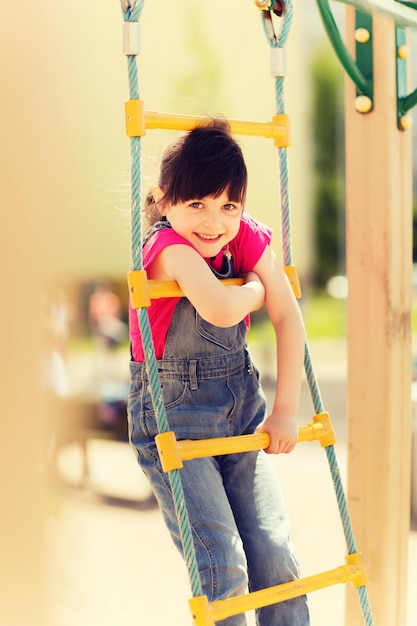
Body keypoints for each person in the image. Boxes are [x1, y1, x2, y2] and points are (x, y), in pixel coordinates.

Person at [127, 119, 310, 626]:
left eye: (229, 205)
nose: (214, 222)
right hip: (172, 422)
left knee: (275, 554)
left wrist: (287, 410)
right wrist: (254, 286)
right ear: (165, 201)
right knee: (223, 566)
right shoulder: (167, 250)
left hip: (239, 413)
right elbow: (221, 310)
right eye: (197, 205)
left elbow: (288, 316)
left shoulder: (242, 235)